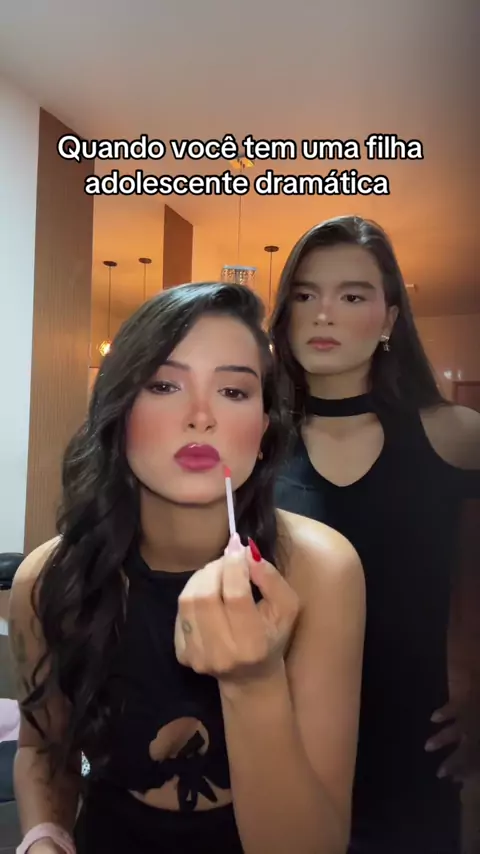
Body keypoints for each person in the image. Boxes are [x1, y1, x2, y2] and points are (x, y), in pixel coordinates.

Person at [9, 282, 365, 854]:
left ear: (263, 427)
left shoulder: (320, 570)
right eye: (164, 385)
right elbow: (42, 751)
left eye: (233, 390)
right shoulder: (48, 580)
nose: (201, 417)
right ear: (119, 410)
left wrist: (254, 682)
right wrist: (44, 836)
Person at [269, 216, 480, 854]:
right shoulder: (253, 444)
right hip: (278, 739)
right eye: (305, 294)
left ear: (389, 318)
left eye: (352, 295)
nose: (323, 313)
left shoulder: (457, 435)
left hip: (416, 748)